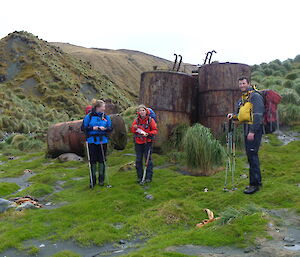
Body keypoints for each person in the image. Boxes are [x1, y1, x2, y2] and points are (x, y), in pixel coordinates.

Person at [227, 77, 265, 194]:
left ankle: (254, 185)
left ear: (249, 83)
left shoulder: (255, 97)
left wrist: (252, 131)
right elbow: (241, 115)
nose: (241, 86)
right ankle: (257, 181)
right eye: (240, 84)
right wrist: (233, 116)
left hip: (254, 129)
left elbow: (258, 115)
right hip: (246, 128)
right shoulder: (244, 98)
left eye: (243, 83)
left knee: (252, 156)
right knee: (250, 155)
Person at [82, 99, 112, 188]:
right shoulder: (89, 117)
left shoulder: (106, 117)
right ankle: (93, 180)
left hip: (103, 141)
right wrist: (92, 128)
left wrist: (105, 129)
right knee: (93, 160)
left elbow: (110, 128)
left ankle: (101, 180)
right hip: (92, 141)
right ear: (98, 107)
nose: (104, 108)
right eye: (103, 106)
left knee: (102, 160)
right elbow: (83, 128)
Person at [131, 105, 158, 184]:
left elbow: (155, 130)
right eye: (140, 111)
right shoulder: (136, 121)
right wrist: (134, 128)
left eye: (143, 110)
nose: (142, 112)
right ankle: (140, 177)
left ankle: (148, 177)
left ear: (146, 111)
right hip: (138, 142)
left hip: (147, 142)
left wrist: (148, 134)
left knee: (147, 160)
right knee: (138, 160)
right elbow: (132, 130)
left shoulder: (150, 120)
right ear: (138, 112)